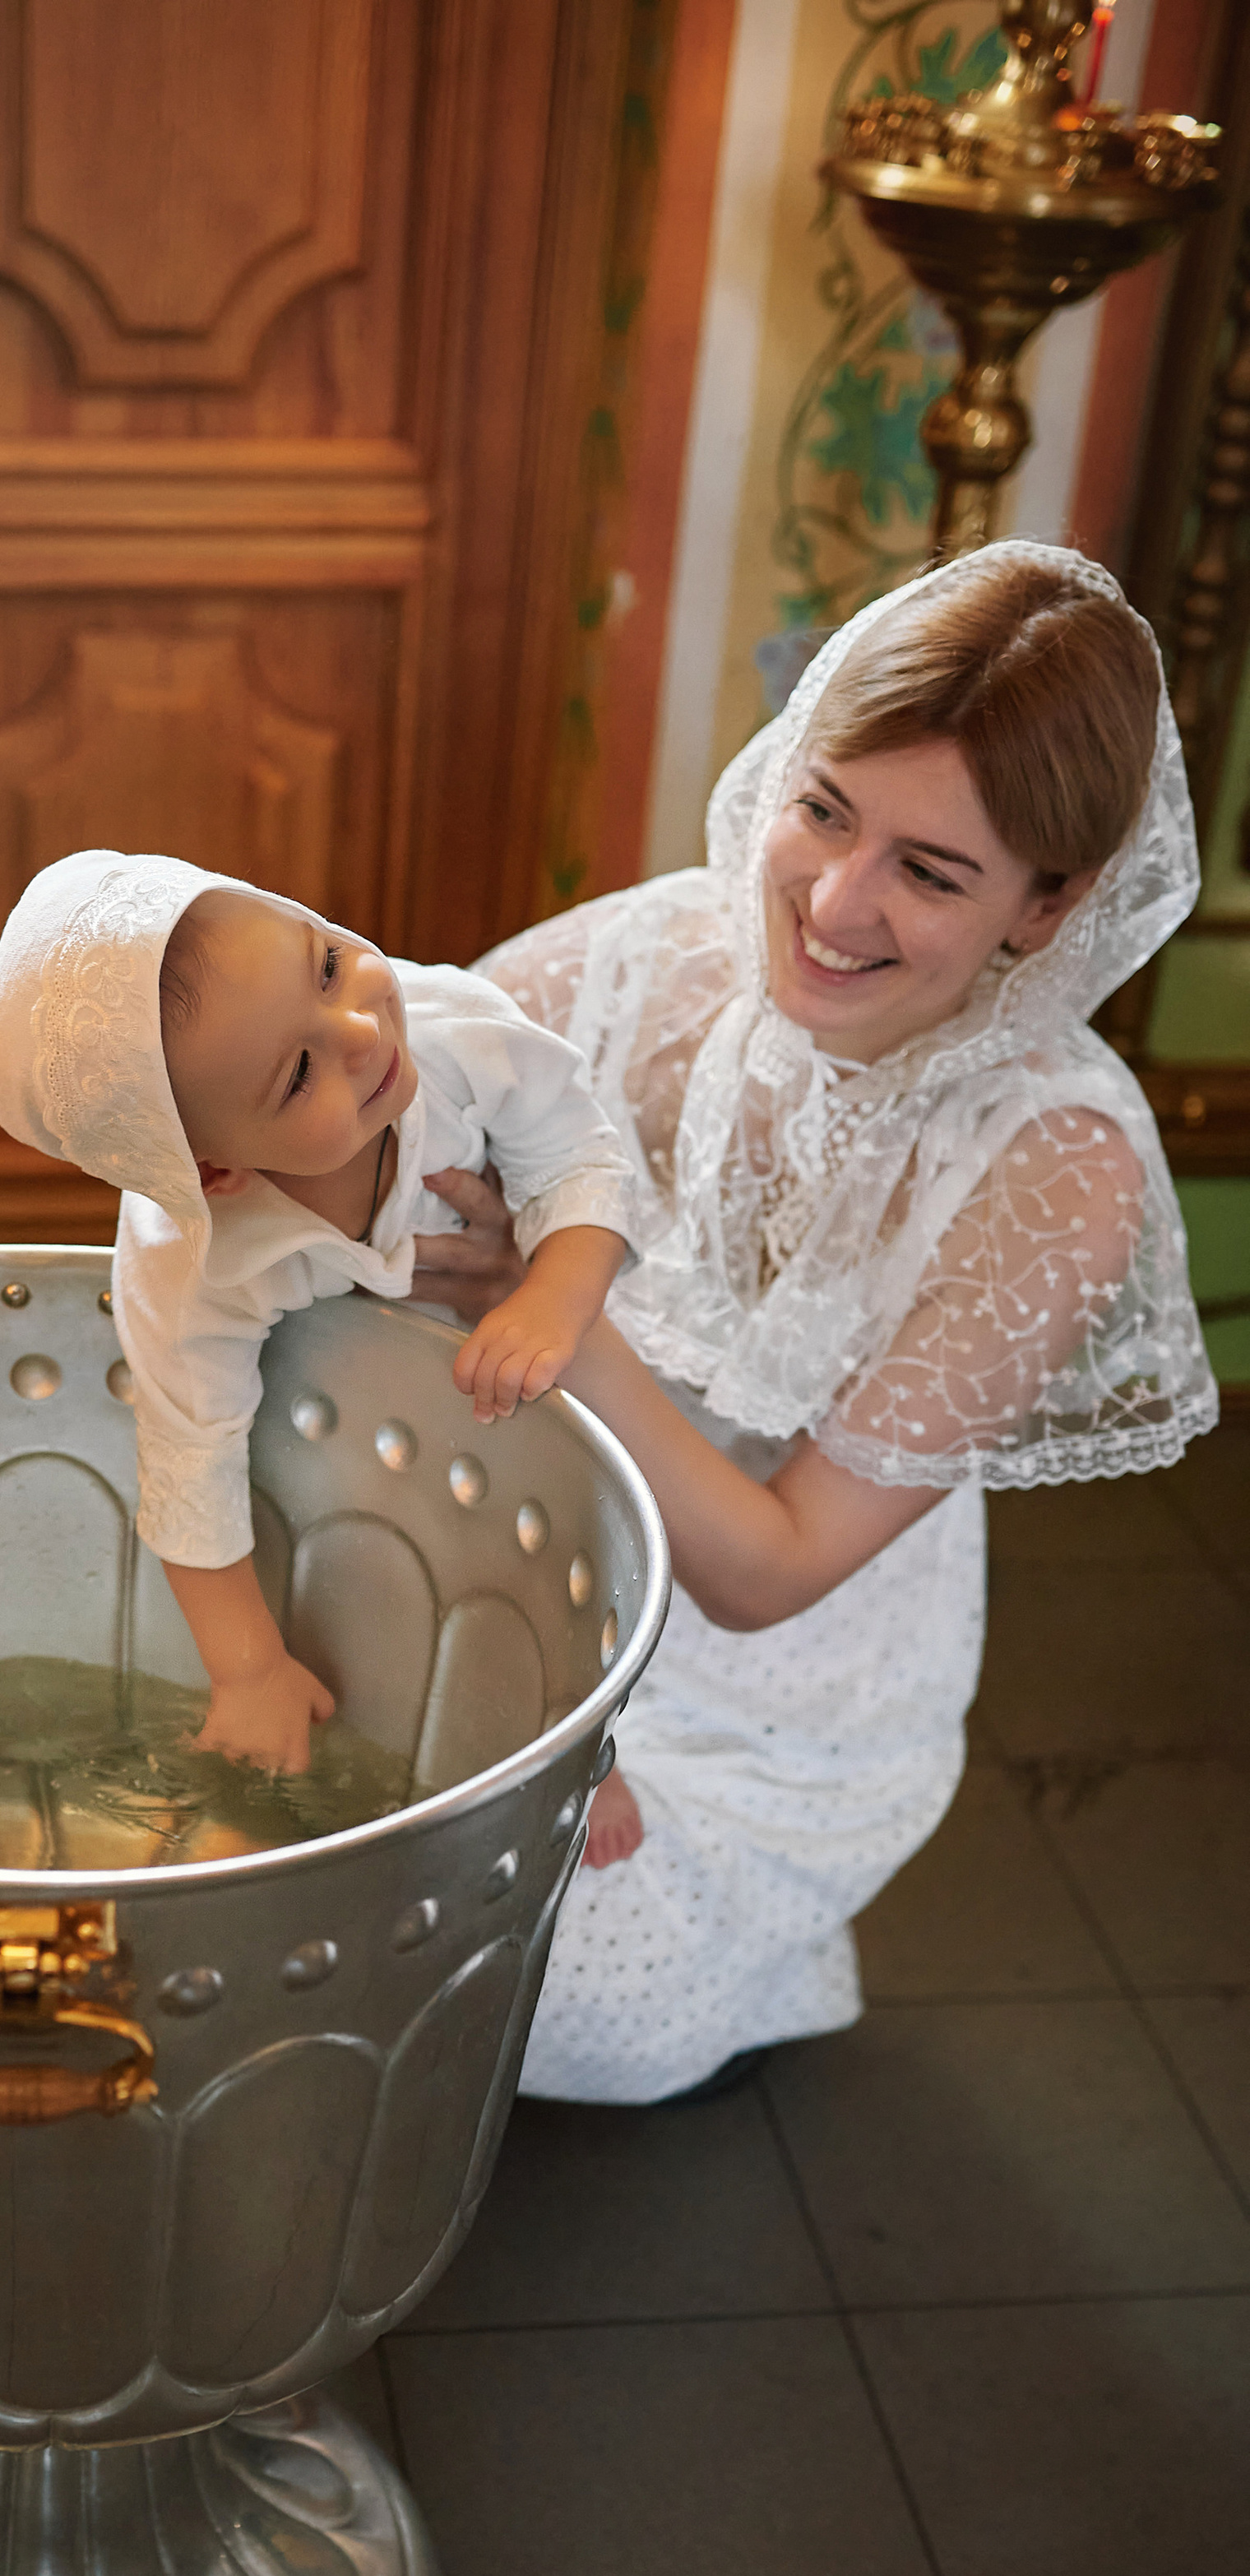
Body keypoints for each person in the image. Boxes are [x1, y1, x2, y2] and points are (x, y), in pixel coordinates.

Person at [410, 540, 1216, 2102]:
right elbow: (375, 1150)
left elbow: (774, 1569)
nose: (833, 904)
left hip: (763, 1675)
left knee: (493, 1975)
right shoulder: (643, 962)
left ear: (1047, 908)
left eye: (930, 871)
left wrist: (556, 1295)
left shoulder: (1057, 1164)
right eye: (824, 809)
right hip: (512, 1522)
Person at [0, 852, 637, 1772]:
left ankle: (595, 1749)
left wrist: (555, 1293)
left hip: (528, 1315)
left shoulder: (454, 1038)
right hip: (368, 1397)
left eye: (323, 963)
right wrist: (246, 1672)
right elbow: (187, 1451)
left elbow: (580, 1157)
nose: (362, 1028)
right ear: (213, 1171)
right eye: (297, 1075)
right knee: (387, 1560)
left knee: (564, 1536)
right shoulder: (193, 1262)